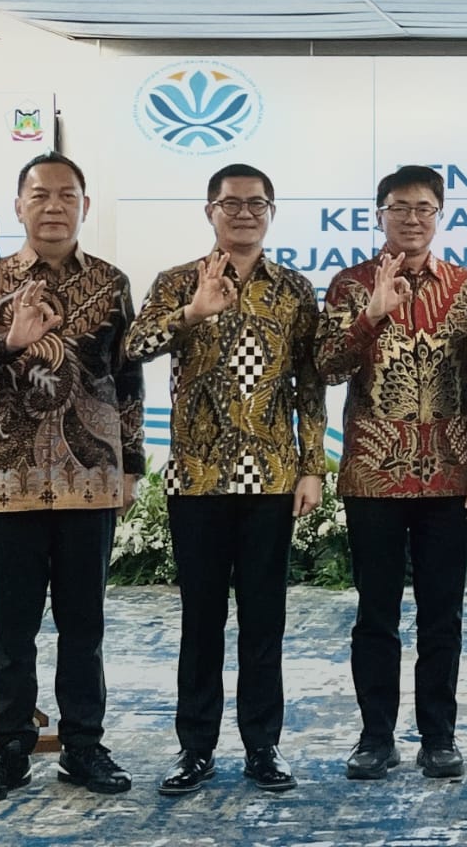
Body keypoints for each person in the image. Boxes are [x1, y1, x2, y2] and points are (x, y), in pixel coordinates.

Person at [0, 152, 143, 804]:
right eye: (40, 194)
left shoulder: (112, 283)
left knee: (84, 625)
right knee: (14, 627)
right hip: (10, 482)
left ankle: (83, 745)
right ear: (19, 205)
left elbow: (128, 378)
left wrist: (132, 465)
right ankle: (10, 749)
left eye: (67, 195)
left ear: (84, 206)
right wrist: (9, 341)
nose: (54, 205)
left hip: (91, 480)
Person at [123, 163, 326, 795]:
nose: (244, 213)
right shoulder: (177, 281)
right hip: (197, 480)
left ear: (272, 212)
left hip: (270, 477)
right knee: (201, 620)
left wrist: (312, 466)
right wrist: (191, 312)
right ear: (209, 210)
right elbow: (134, 346)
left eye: (256, 203)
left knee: (265, 622)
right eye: (231, 203)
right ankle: (196, 748)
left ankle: (263, 746)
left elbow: (310, 384)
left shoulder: (294, 290)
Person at [315, 165, 467, 782]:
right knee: (376, 614)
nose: (412, 218)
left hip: (448, 476)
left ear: (439, 215)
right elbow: (326, 368)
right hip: (374, 476)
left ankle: (439, 737)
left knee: (441, 615)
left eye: (424, 208)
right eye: (399, 207)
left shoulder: (466, 287)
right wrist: (370, 315)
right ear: (380, 214)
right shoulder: (349, 285)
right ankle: (375, 738)